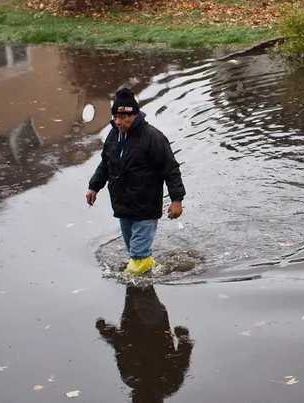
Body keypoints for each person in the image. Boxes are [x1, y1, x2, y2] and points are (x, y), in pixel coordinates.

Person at [87, 88, 184, 276]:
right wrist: (94, 187)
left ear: (135, 114)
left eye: (123, 117)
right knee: (135, 252)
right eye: (115, 117)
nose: (118, 122)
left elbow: (170, 169)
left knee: (137, 257)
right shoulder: (113, 135)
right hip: (123, 206)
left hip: (146, 206)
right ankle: (148, 272)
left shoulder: (153, 137)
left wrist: (176, 200)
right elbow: (105, 163)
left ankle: (136, 288)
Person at [96, 285, 193, 403]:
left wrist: (184, 339)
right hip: (145, 324)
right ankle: (141, 272)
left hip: (152, 324)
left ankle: (140, 272)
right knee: (139, 289)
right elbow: (121, 347)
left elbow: (121, 347)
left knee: (138, 288)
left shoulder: (134, 379)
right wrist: (184, 338)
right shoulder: (132, 379)